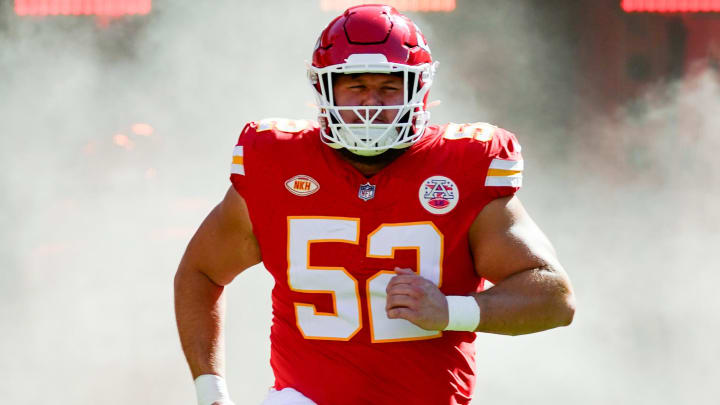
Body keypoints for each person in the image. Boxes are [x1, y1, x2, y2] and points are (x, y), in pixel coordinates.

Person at [174, 4, 575, 405]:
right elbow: (201, 272)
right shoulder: (275, 164)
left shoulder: (464, 167)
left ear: (418, 89)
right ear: (325, 90)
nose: (371, 105)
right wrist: (211, 392)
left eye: (388, 87)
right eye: (356, 86)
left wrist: (452, 311)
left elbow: (555, 299)